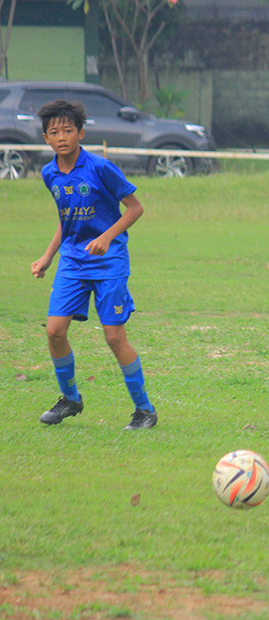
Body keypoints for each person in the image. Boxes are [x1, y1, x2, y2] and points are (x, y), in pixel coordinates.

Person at [31, 99, 157, 430]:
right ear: (46, 138)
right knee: (55, 332)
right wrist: (48, 256)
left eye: (68, 130)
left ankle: (144, 410)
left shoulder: (100, 168)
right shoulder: (49, 173)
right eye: (54, 132)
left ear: (81, 133)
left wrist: (106, 237)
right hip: (72, 262)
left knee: (115, 337)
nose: (61, 137)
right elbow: (66, 219)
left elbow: (135, 208)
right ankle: (70, 399)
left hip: (109, 262)